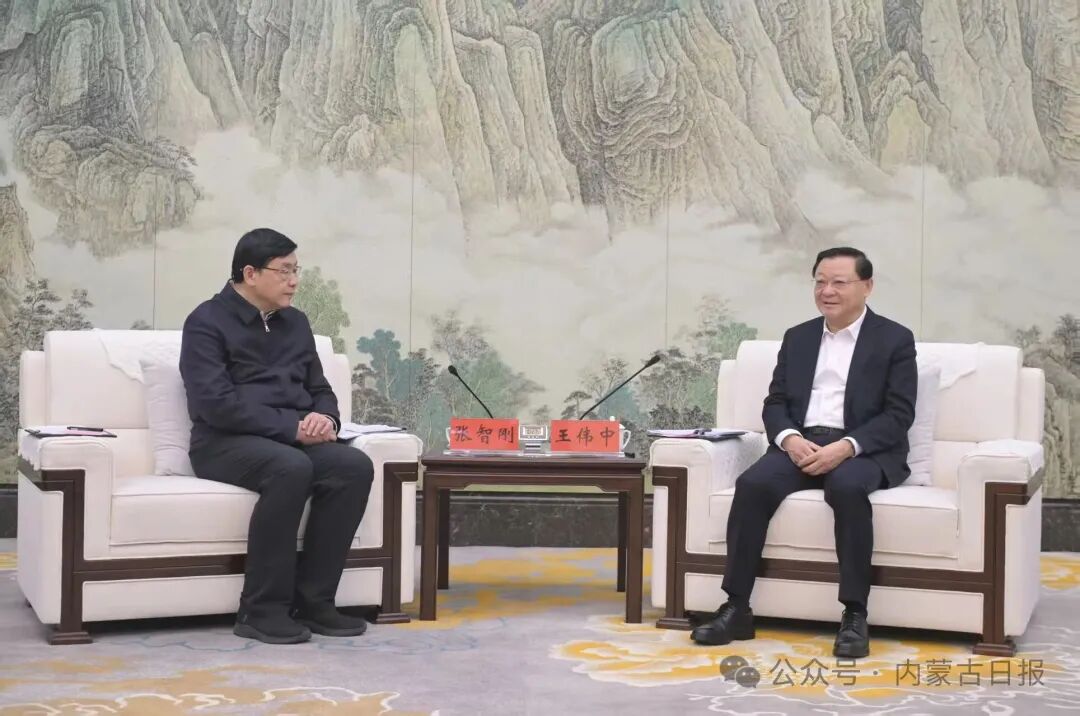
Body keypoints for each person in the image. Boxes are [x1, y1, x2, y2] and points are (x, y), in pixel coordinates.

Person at [691, 247, 917, 658]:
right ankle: (737, 607)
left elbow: (899, 414)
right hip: (803, 441)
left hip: (861, 448)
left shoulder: (894, 339)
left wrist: (846, 447)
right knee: (753, 484)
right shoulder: (799, 337)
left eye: (839, 282)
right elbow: (775, 402)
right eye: (820, 282)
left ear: (867, 286)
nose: (827, 291)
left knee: (846, 487)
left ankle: (854, 614)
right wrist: (790, 439)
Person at [180, 228, 374, 644]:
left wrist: (325, 418)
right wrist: (292, 429)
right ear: (250, 274)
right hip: (223, 443)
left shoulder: (295, 323)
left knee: (352, 465)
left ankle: (314, 602)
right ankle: (260, 610)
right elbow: (216, 404)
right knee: (290, 467)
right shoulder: (206, 322)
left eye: (296, 270)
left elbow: (319, 387)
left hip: (290, 440)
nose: (294, 281)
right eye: (284, 271)